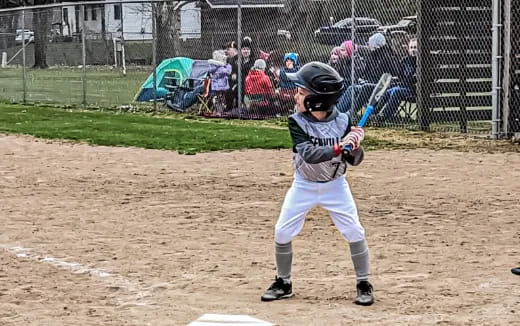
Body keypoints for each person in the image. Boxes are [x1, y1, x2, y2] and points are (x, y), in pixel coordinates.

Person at [260, 62, 374, 306]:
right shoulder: (296, 121)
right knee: (282, 231)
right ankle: (283, 282)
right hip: (304, 185)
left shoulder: (343, 121)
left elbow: (354, 160)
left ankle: (364, 283)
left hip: (336, 186)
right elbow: (309, 154)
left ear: (318, 100)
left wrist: (354, 146)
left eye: (302, 93)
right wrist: (337, 147)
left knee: (354, 231)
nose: (296, 96)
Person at [336, 32, 398, 116]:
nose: (369, 45)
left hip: (383, 85)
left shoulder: (388, 56)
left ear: (376, 44)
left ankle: (351, 113)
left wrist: (368, 81)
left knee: (366, 87)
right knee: (352, 88)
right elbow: (366, 72)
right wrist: (363, 79)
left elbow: (391, 74)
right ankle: (339, 112)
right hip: (371, 82)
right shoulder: (372, 55)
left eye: (371, 43)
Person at [378, 38, 417, 121]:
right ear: (408, 49)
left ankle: (384, 116)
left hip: (415, 90)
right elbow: (400, 76)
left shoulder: (421, 62)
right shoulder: (404, 60)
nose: (413, 50)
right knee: (387, 91)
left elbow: (414, 79)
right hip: (403, 87)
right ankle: (374, 114)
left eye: (415, 47)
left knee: (396, 91)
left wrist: (409, 78)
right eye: (411, 47)